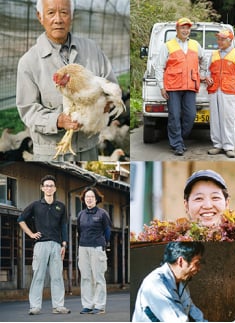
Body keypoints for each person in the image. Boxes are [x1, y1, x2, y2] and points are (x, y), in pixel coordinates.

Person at [16, 0, 119, 161]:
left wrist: (107, 104)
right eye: (51, 13)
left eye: (64, 12)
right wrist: (58, 120)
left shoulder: (92, 50)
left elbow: (111, 86)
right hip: (51, 153)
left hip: (89, 148)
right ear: (40, 17)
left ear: (72, 16)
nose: (58, 19)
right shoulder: (29, 62)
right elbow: (28, 109)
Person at [17, 175, 70, 315]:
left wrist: (64, 244)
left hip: (56, 245)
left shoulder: (61, 206)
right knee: (38, 275)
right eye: (46, 185)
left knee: (57, 276)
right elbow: (21, 219)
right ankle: (35, 306)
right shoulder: (35, 205)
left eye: (51, 185)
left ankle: (58, 306)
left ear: (55, 188)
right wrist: (31, 234)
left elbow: (64, 226)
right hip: (41, 245)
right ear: (42, 188)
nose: (48, 188)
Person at [155, 17, 208, 156]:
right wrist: (161, 86)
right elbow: (159, 67)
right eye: (183, 28)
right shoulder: (168, 45)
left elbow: (204, 60)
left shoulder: (195, 45)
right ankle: (177, 144)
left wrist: (201, 74)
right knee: (174, 116)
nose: (185, 30)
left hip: (190, 86)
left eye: (188, 28)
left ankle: (179, 138)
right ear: (177, 29)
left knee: (191, 115)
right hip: (173, 87)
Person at [206, 28, 235, 158]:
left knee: (228, 119)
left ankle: (229, 147)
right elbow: (208, 70)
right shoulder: (214, 54)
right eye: (218, 39)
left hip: (229, 91)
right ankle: (217, 145)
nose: (219, 41)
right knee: (215, 119)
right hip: (214, 89)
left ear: (229, 40)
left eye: (222, 39)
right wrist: (208, 77)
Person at [132, 242, 207, 322]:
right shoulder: (155, 283)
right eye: (197, 263)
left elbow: (195, 314)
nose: (199, 269)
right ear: (181, 261)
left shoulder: (181, 282)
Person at [77, 187, 112, 315]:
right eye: (87, 197)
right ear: (84, 199)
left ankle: (100, 305)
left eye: (92, 196)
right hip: (83, 247)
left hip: (97, 247)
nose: (89, 199)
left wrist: (104, 244)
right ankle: (87, 305)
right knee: (86, 277)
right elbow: (79, 231)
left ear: (96, 199)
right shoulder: (81, 214)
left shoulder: (102, 213)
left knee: (98, 277)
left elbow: (108, 231)